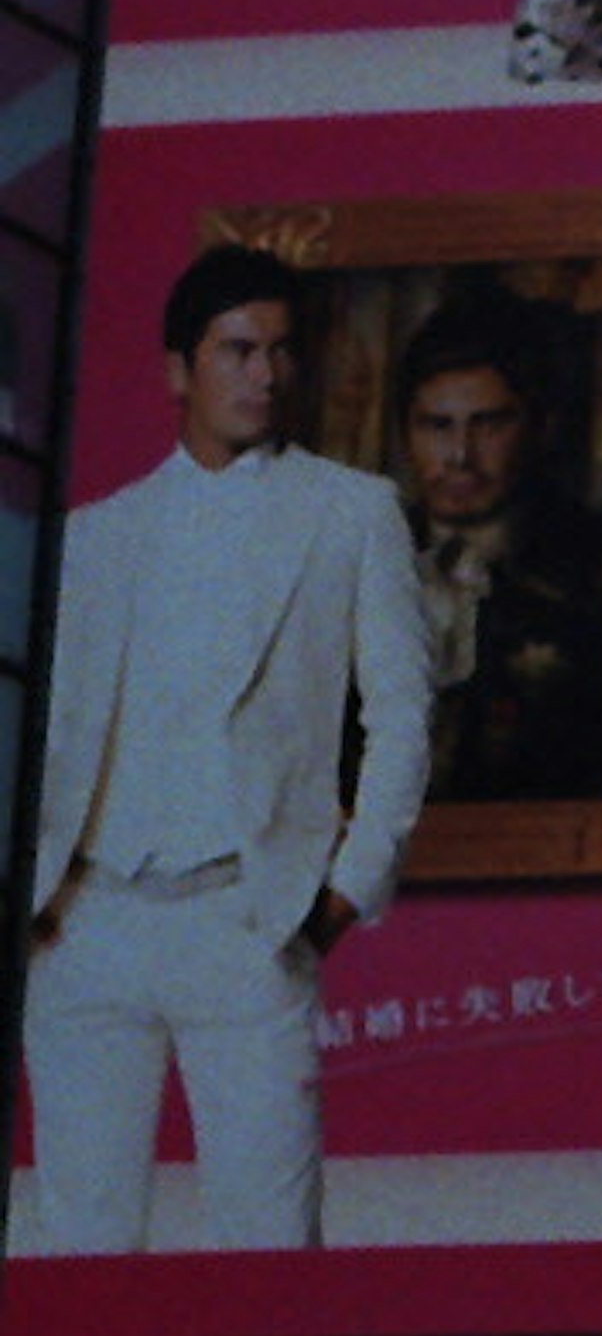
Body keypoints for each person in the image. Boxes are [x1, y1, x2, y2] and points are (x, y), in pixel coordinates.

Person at [20, 245, 432, 1255]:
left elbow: (403, 716)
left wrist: (344, 889)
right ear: (177, 370)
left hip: (247, 918)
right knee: (82, 1248)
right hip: (86, 924)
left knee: (268, 1250)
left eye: (281, 352)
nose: (264, 374)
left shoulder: (351, 511)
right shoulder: (93, 537)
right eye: (238, 350)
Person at [392, 284, 602, 803]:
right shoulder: (347, 574)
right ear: (407, 434)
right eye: (436, 426)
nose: (459, 455)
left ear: (541, 427)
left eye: (489, 425)